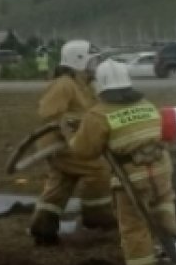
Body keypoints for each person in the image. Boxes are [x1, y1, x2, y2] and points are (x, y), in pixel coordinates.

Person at [64, 59, 176, 265]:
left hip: (133, 177)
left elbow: (84, 151)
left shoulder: (98, 114)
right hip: (161, 168)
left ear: (101, 85)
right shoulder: (146, 104)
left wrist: (72, 135)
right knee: (162, 201)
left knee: (134, 226)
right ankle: (168, 222)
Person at [27, 39, 116, 245]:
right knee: (99, 169)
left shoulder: (82, 84)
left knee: (62, 182)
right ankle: (97, 216)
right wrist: (71, 124)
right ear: (78, 61)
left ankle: (43, 228)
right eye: (92, 62)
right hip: (63, 145)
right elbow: (49, 114)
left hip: (69, 143)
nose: (95, 66)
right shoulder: (64, 84)